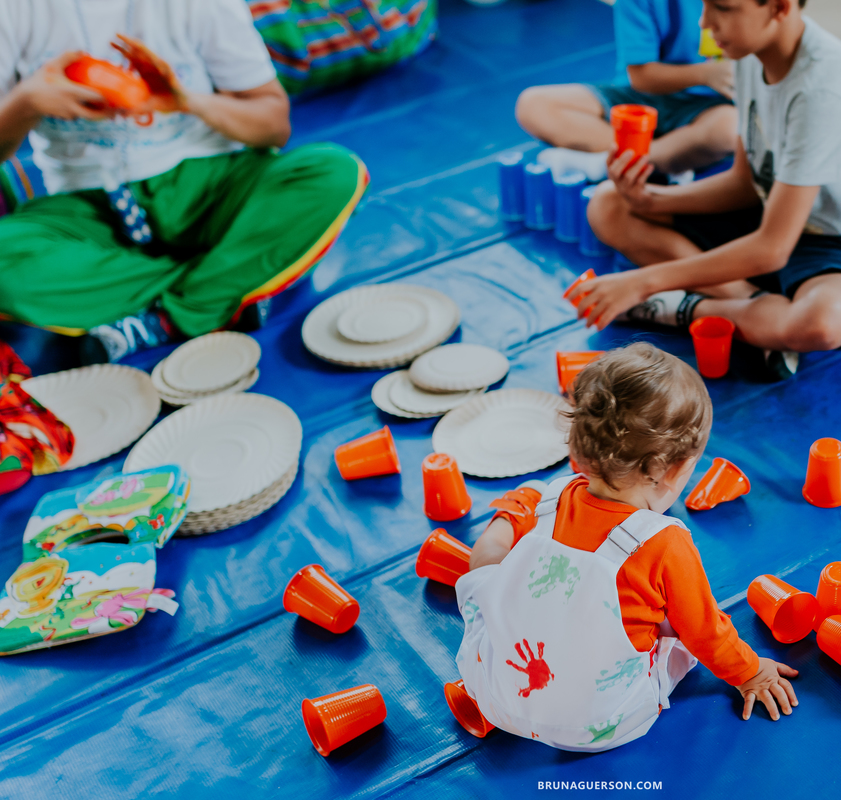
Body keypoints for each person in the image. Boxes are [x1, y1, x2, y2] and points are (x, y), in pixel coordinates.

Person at [447, 344, 797, 752]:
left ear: (577, 449)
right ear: (676, 470)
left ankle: (510, 514)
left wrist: (511, 520)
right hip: (600, 725)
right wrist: (751, 673)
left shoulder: (551, 500)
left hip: (495, 694)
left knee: (488, 562)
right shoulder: (665, 542)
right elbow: (706, 633)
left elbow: (491, 563)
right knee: (677, 631)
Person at [0, 0, 369, 363]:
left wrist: (187, 101)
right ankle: (226, 284)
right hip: (89, 210)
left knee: (335, 172)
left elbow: (274, 126)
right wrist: (26, 101)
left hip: (210, 187)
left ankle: (171, 315)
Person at [567, 0, 841, 381]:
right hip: (773, 209)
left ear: (779, 7)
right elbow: (745, 183)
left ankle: (674, 308)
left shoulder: (823, 91)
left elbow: (772, 249)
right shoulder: (749, 57)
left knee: (823, 321)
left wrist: (642, 284)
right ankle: (751, 304)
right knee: (608, 204)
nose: (704, 22)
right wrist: (650, 200)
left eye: (723, 7)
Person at [515, 0, 738, 182]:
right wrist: (705, 75)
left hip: (708, 107)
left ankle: (610, 163)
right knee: (533, 105)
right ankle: (664, 160)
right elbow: (641, 78)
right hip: (641, 99)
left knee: (729, 128)